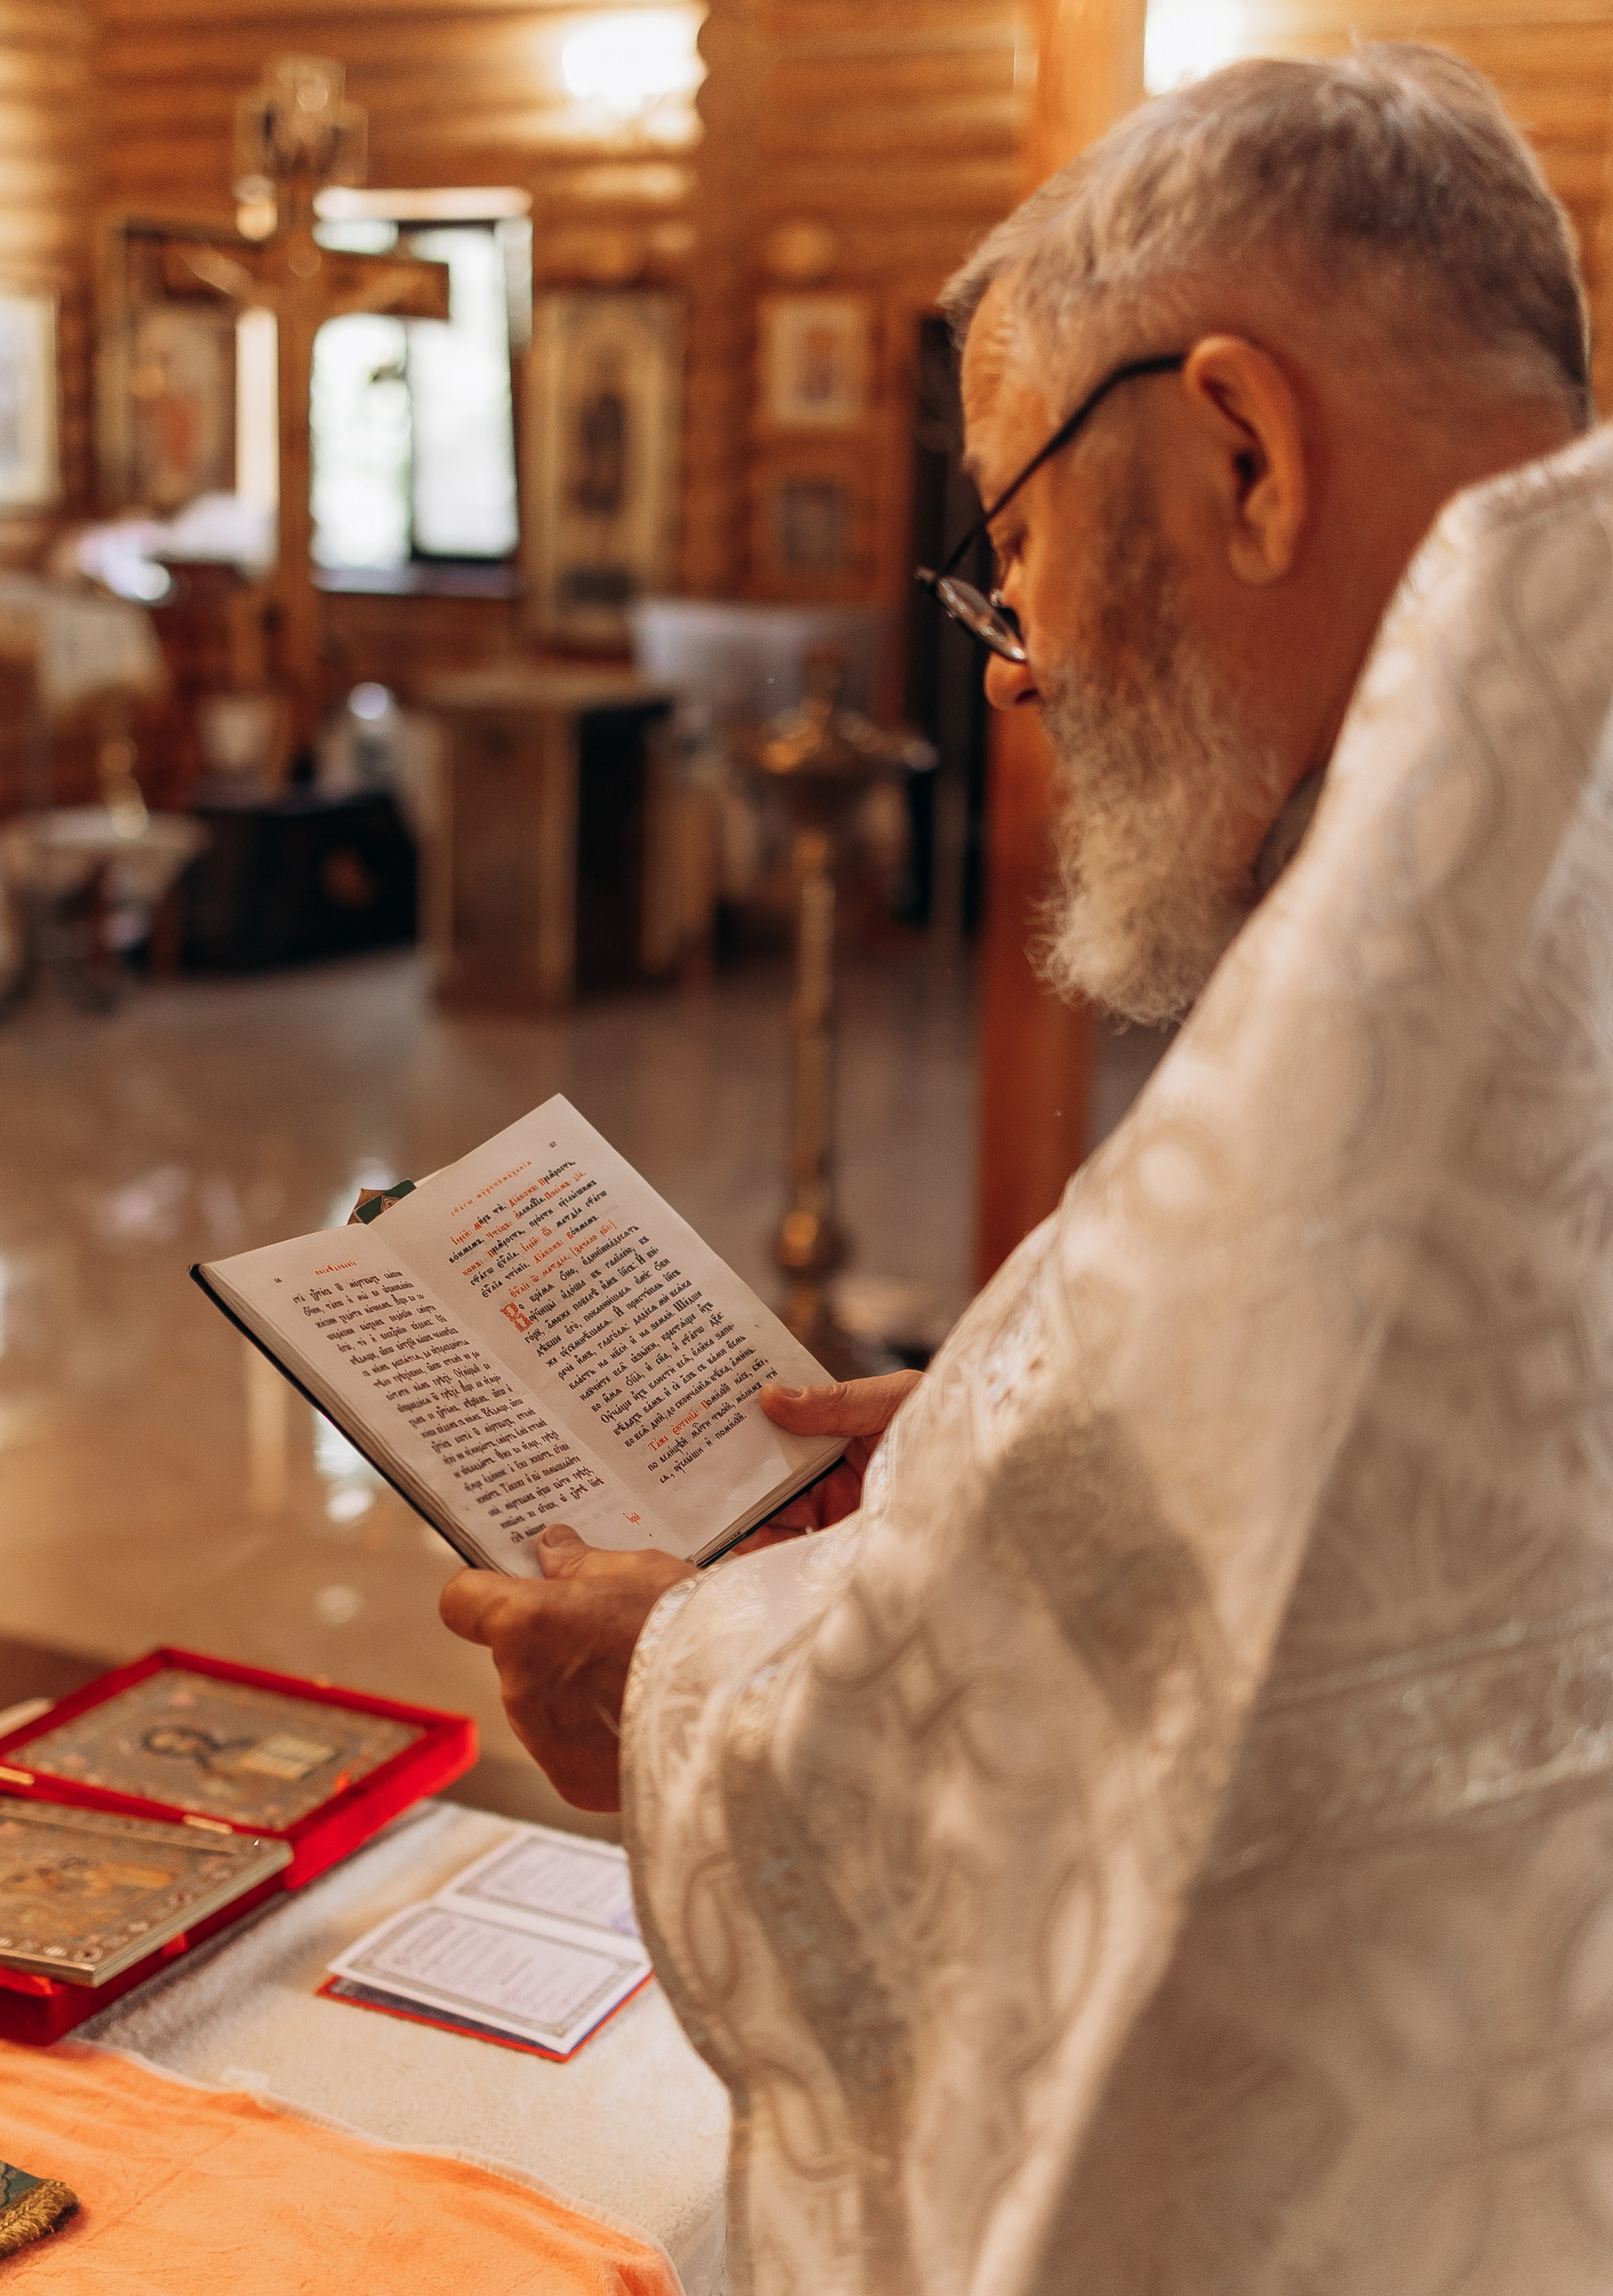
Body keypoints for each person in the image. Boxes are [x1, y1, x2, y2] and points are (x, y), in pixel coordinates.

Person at [443, 47, 1613, 2291]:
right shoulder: (1497, 855)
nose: (1017, 669)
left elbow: (984, 1849)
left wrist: (665, 1679)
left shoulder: (1412, 1004)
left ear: (1243, 451)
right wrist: (1007, 1431)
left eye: (1013, 547)